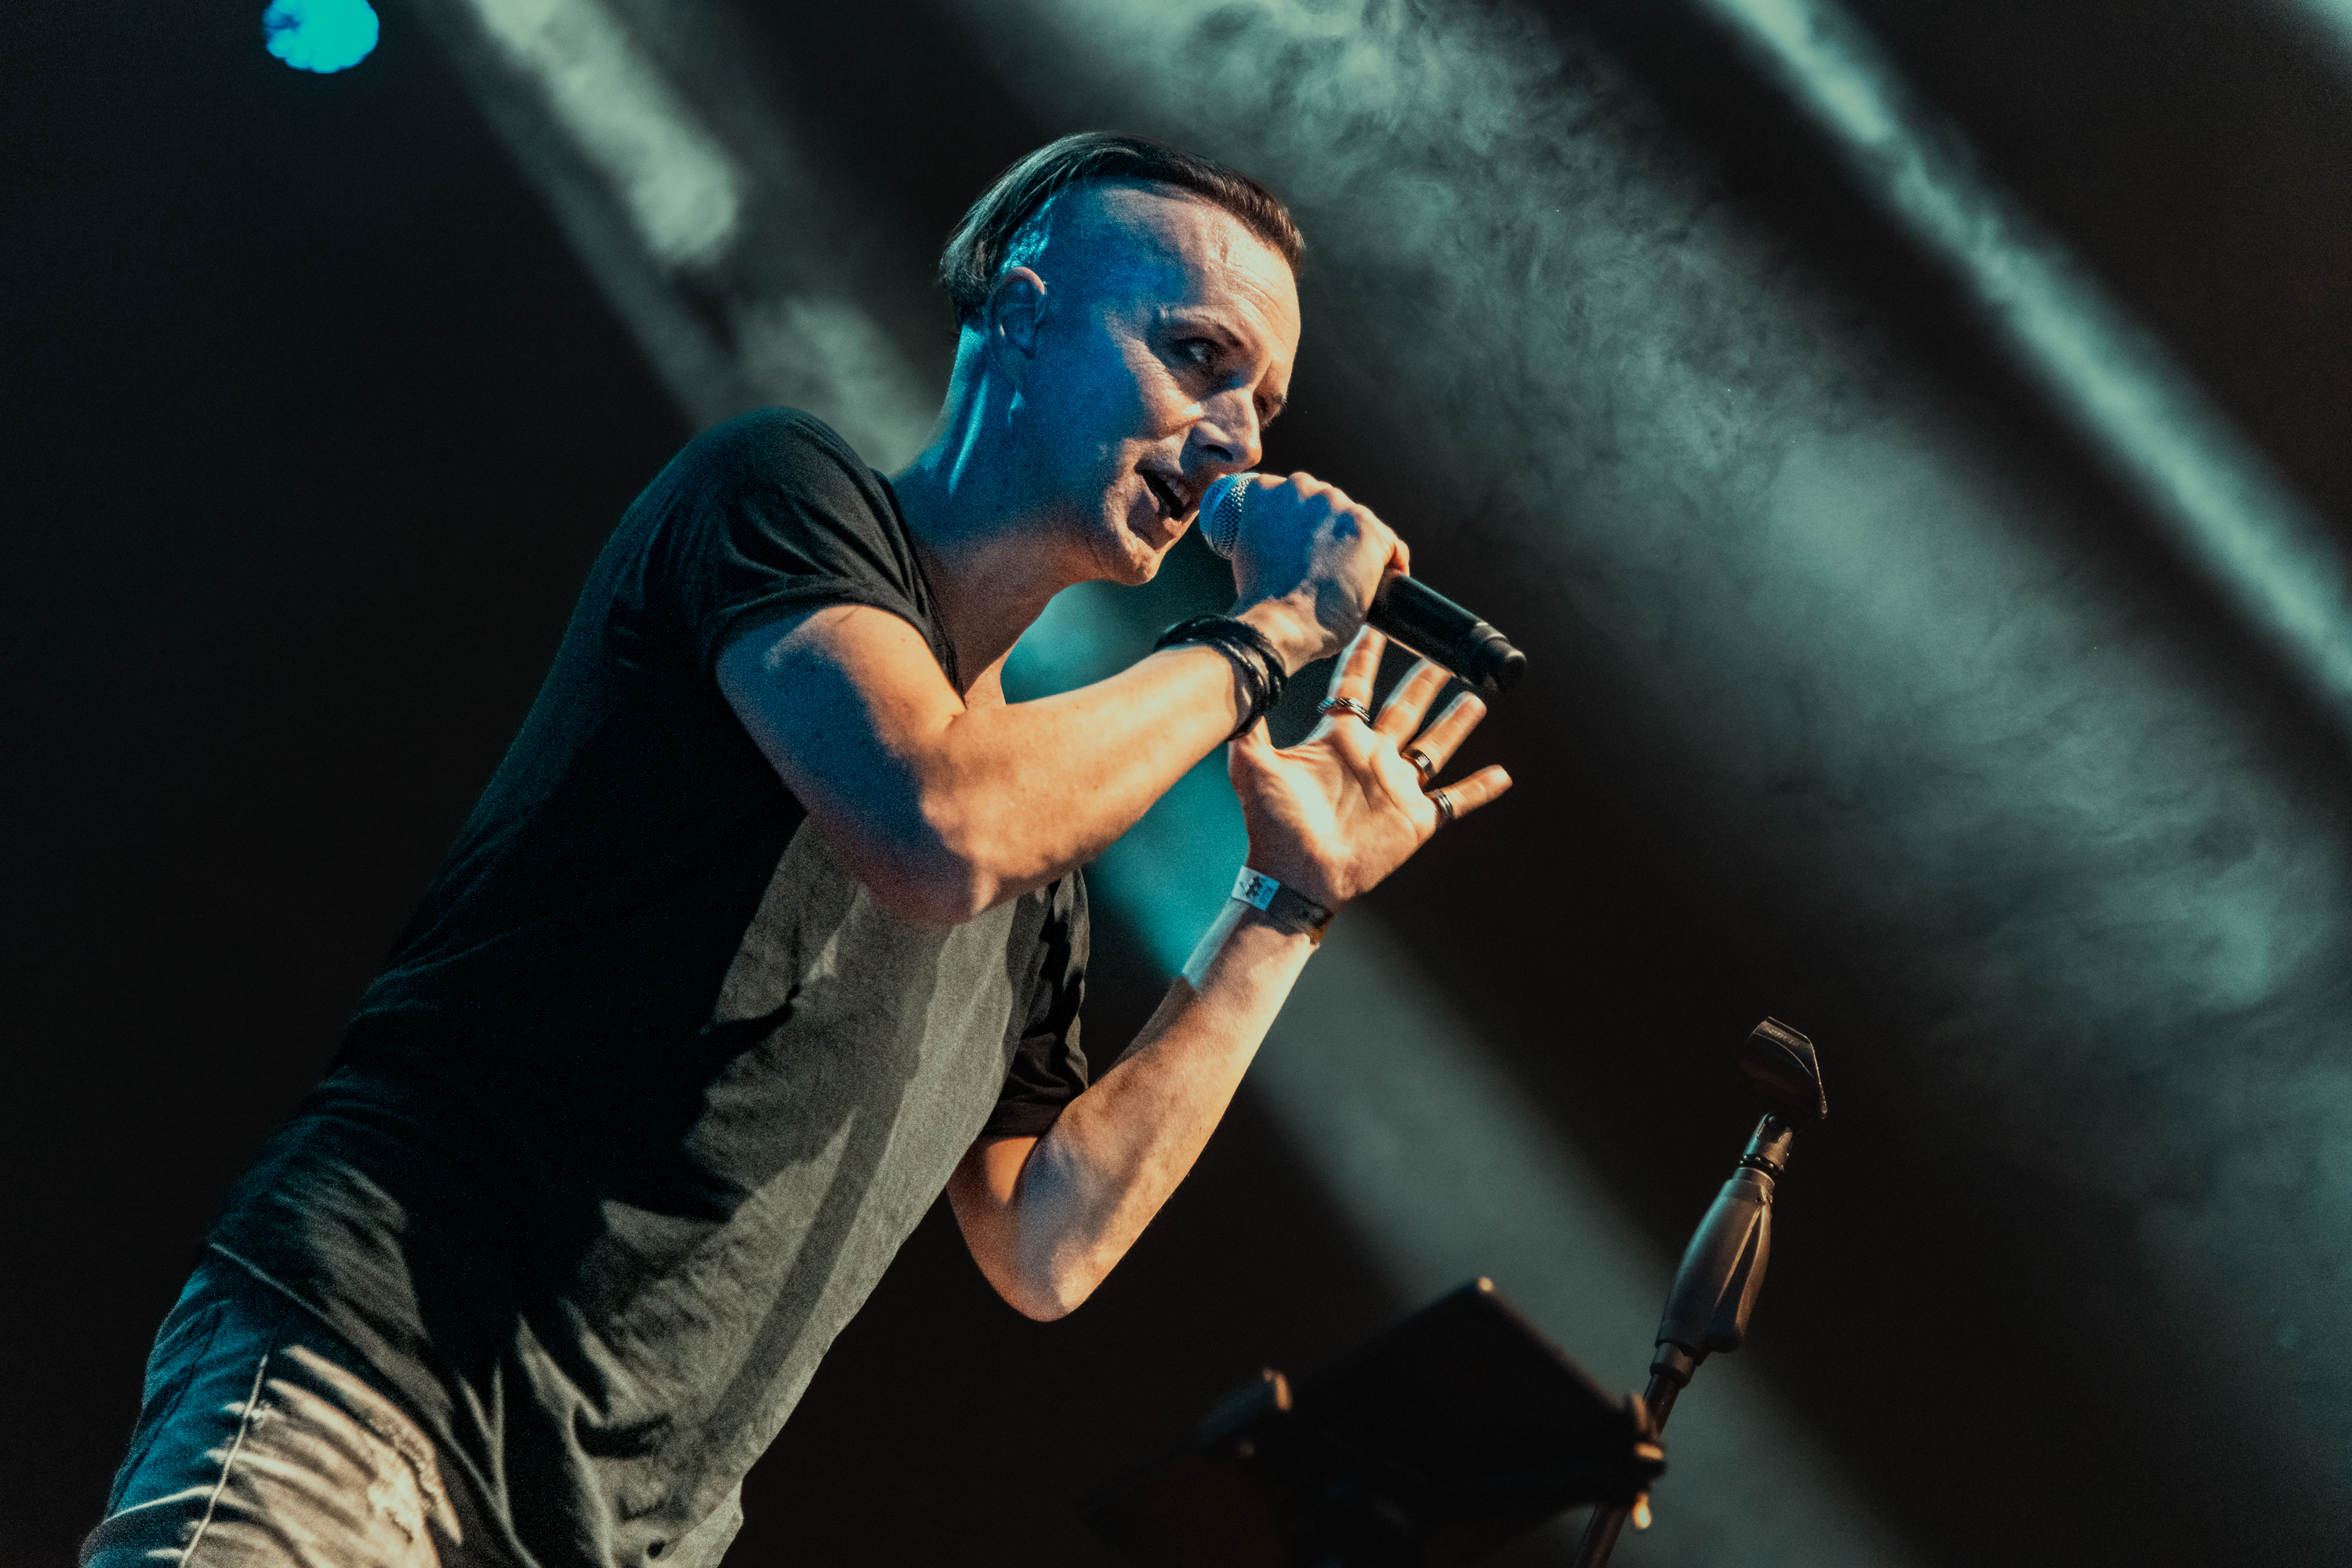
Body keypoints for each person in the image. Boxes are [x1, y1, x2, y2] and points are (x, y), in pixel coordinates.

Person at [83, 132, 1512, 1568]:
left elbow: (1046, 1244)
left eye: (1265, 401)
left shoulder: (1040, 869)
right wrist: (1273, 630)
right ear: (1023, 319)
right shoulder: (778, 491)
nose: (1241, 437)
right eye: (1199, 357)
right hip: (373, 1400)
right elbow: (937, 824)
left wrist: (1284, 907)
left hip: (625, 1540)